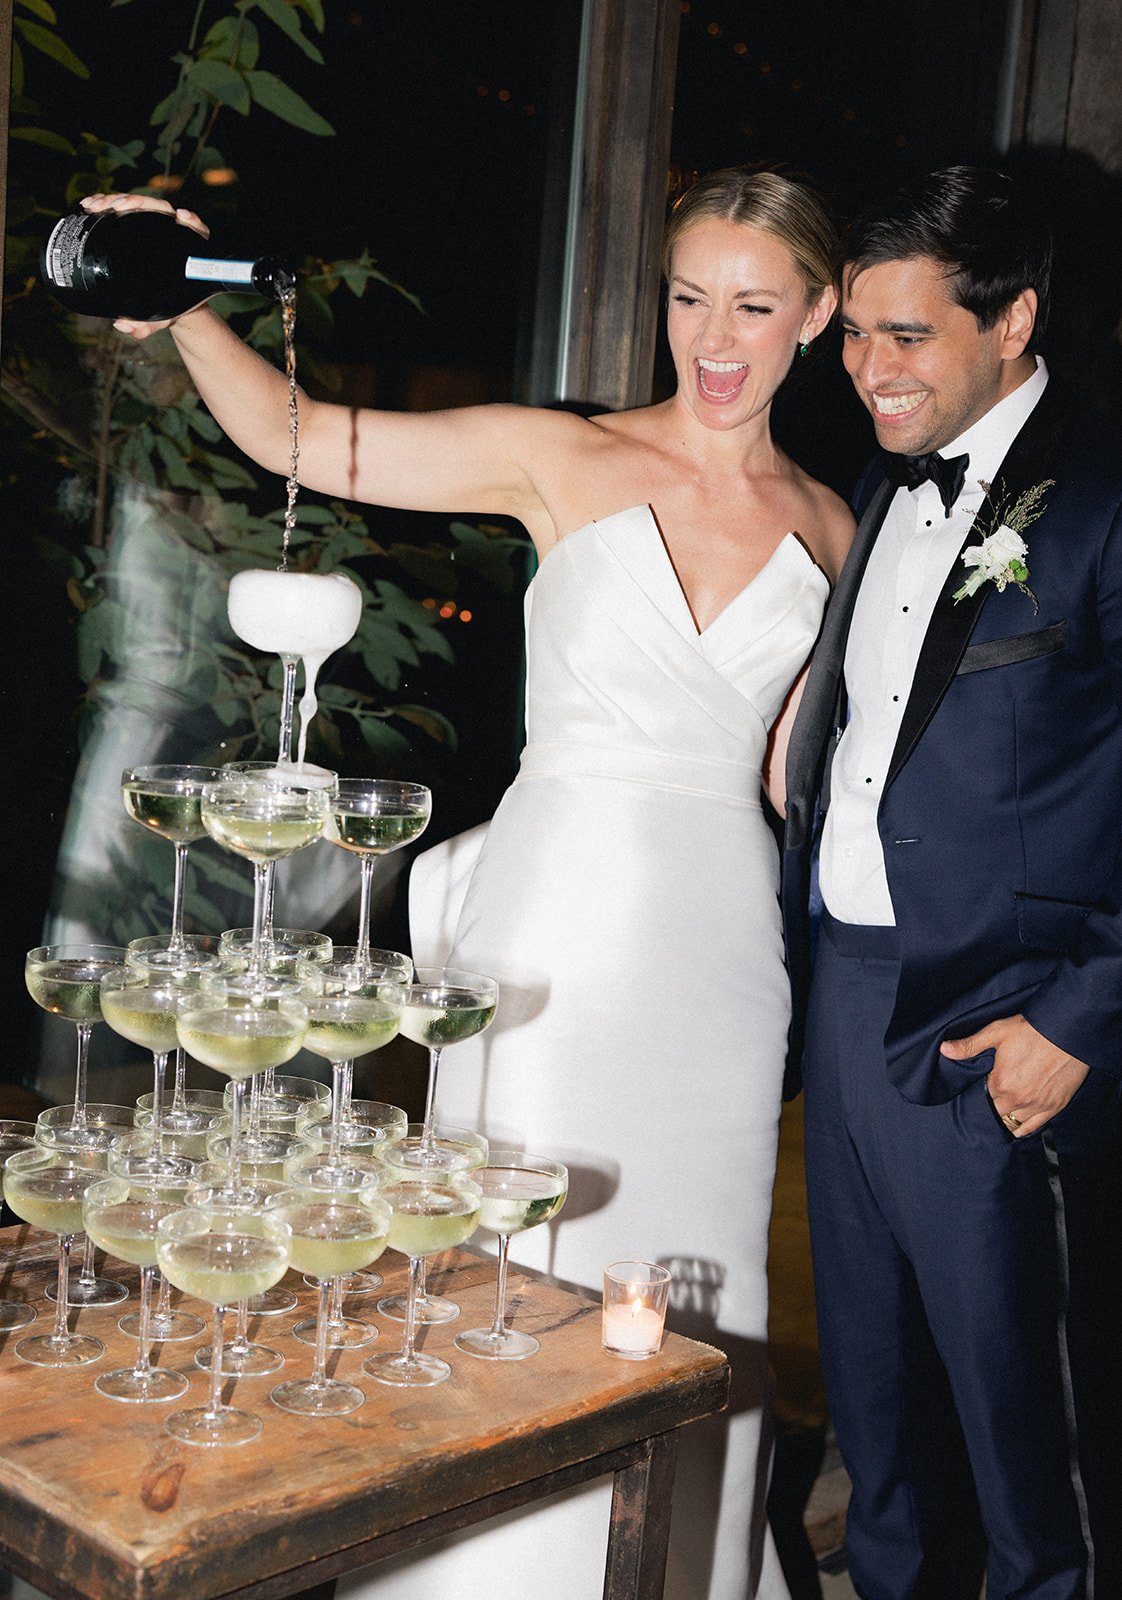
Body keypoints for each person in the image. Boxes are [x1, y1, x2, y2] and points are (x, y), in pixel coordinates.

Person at [92, 164, 851, 1597]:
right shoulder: (558, 456)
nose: (714, 337)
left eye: (753, 307)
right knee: (522, 1251)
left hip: (723, 954)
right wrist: (181, 305)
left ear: (814, 315)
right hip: (560, 916)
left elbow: (797, 777)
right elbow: (301, 437)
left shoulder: (829, 525)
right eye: (690, 298)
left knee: (701, 1270)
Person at [782, 164, 1122, 1600]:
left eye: (907, 335)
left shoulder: (1103, 496)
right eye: (857, 334)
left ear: (1013, 320)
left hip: (1008, 1019)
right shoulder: (881, 485)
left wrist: (1083, 1016)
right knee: (879, 1419)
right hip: (851, 992)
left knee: (1031, 1448)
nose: (869, 368)